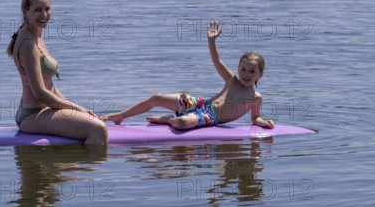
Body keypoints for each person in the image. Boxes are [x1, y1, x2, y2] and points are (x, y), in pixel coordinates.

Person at [100, 21, 275, 130]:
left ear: (261, 74)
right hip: (200, 103)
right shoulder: (232, 80)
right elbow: (217, 60)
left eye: (252, 71)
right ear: (238, 69)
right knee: (157, 97)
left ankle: (169, 120)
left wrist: (264, 122)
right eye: (243, 69)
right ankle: (120, 115)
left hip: (209, 117)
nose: (246, 74)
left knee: (182, 124)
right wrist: (211, 41)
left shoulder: (255, 98)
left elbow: (255, 118)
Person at [7, 0, 107, 145]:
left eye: (47, 9)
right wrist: (77, 109)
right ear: (26, 11)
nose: (44, 15)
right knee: (98, 129)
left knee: (92, 122)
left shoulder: (35, 35)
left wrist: (72, 107)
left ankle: (61, 166)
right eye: (38, 10)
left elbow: (49, 84)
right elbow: (40, 92)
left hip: (44, 110)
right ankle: (92, 165)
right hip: (32, 115)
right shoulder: (28, 45)